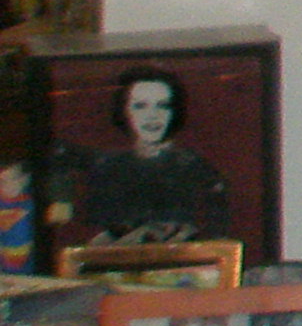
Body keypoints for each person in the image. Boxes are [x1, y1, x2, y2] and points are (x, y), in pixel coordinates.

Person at [75, 68, 233, 247]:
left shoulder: (195, 166)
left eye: (163, 105)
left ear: (174, 112)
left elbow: (217, 236)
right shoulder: (107, 167)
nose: (153, 115)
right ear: (124, 111)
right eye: (140, 106)